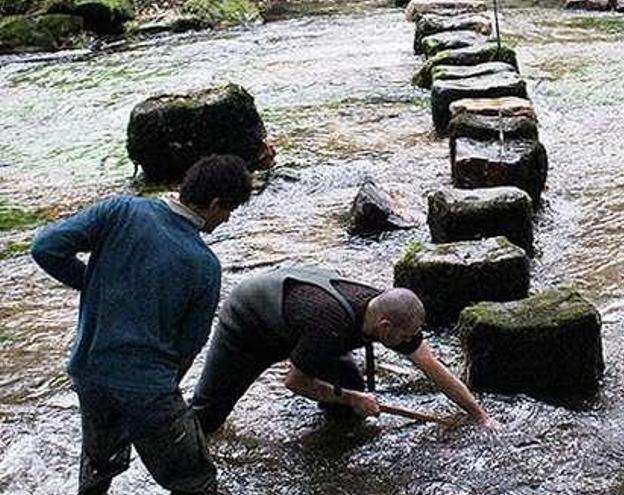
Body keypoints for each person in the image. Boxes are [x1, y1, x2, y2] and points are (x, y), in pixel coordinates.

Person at [31, 154, 253, 495]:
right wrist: (158, 393)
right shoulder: (204, 265)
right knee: (194, 480)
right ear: (214, 203)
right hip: (146, 388)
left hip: (87, 371)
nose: (226, 219)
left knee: (99, 463)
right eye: (229, 211)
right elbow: (188, 347)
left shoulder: (119, 210)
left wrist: (94, 285)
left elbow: (45, 248)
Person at [192, 266, 499, 434]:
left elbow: (432, 367)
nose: (411, 341)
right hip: (249, 323)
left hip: (301, 323)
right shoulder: (330, 324)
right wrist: (356, 399)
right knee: (208, 416)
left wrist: (480, 416)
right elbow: (294, 382)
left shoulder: (388, 312)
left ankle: (331, 440)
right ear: (385, 328)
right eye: (406, 335)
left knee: (348, 389)